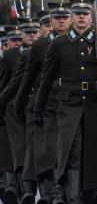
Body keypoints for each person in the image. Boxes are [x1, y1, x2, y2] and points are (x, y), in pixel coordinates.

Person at [33, 0, 97, 204]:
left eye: (85, 14)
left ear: (90, 17)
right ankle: (72, 196)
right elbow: (47, 78)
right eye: (77, 14)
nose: (81, 17)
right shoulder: (59, 43)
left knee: (94, 149)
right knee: (72, 149)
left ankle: (94, 191)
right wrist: (38, 108)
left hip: (95, 103)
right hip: (69, 103)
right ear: (72, 17)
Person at [15, 1, 72, 204]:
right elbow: (26, 79)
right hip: (44, 105)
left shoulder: (76, 43)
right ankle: (49, 193)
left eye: (65, 18)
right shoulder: (40, 46)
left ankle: (60, 193)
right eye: (55, 20)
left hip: (67, 103)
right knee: (44, 150)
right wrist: (19, 107)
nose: (60, 22)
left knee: (62, 150)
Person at [0, 18, 40, 204]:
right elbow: (5, 85)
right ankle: (24, 190)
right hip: (15, 110)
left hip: (38, 107)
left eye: (34, 32)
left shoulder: (45, 51)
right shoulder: (10, 56)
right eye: (27, 32)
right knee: (20, 149)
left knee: (36, 149)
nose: (31, 35)